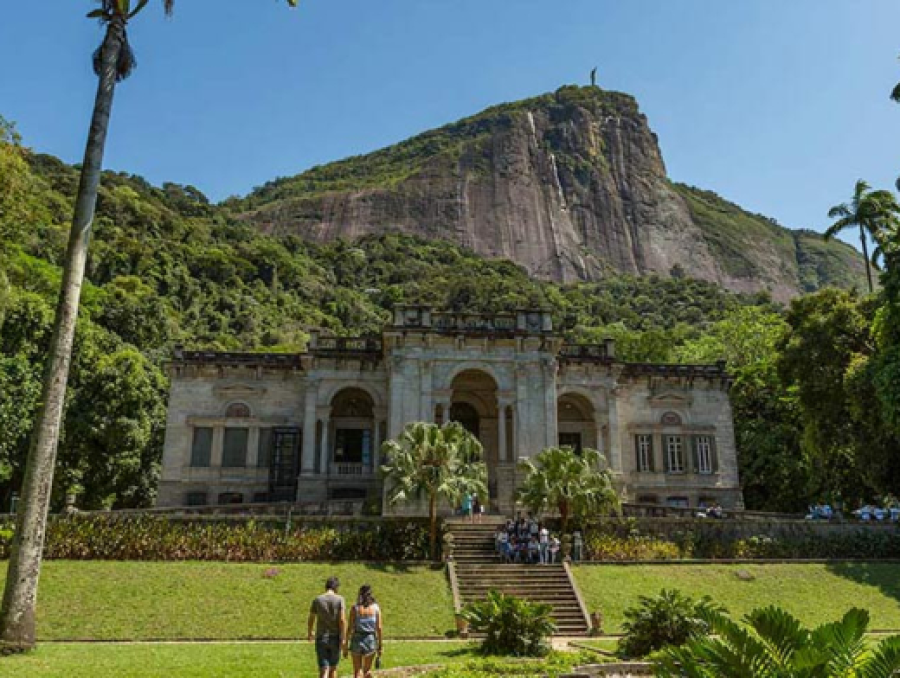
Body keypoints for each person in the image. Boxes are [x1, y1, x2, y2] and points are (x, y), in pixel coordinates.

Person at [308, 576, 346, 678]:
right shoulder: (340, 599)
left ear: (326, 587)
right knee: (333, 668)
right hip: (335, 637)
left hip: (321, 637)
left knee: (323, 668)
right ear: (336, 587)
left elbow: (311, 617)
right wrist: (343, 637)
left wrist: (310, 631)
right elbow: (342, 620)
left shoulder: (317, 600)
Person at [344, 584, 383, 678]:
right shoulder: (376, 608)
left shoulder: (355, 608)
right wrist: (380, 645)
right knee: (367, 670)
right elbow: (379, 627)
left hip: (357, 638)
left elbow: (350, 627)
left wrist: (345, 644)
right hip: (370, 639)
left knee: (357, 671)